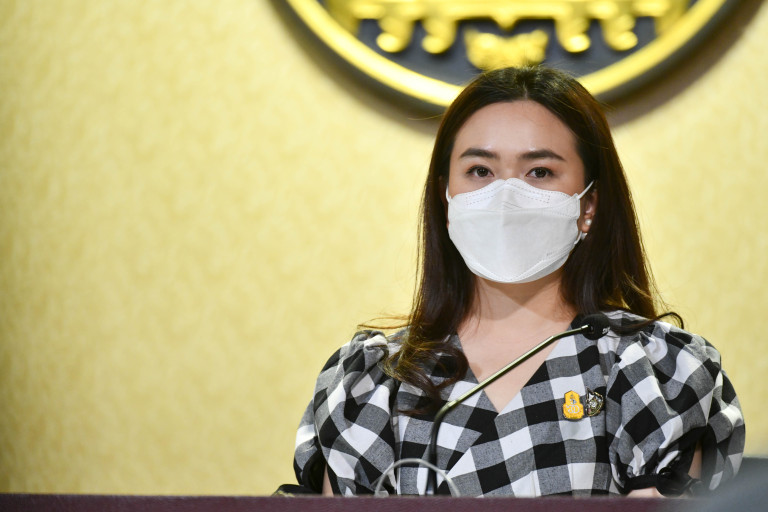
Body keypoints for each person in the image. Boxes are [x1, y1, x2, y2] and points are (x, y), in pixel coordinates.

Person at [291, 66, 745, 497]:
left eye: (539, 172)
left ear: (588, 205)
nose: (505, 195)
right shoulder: (375, 381)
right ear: (446, 197)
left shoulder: (649, 369)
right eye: (480, 171)